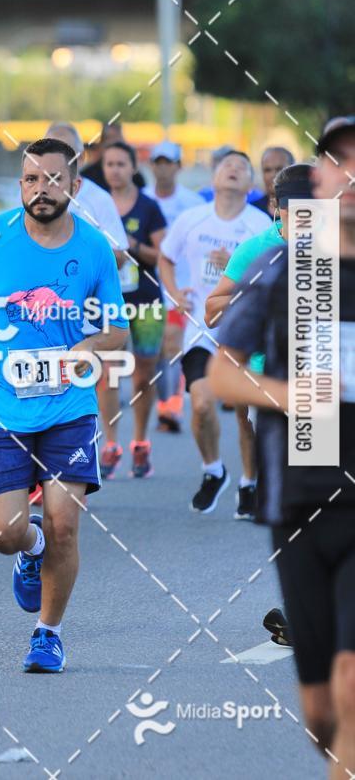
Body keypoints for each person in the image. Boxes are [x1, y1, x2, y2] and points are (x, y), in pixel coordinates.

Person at [0, 137, 128, 672]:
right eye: (31, 179)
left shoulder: (93, 246)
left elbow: (117, 329)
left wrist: (89, 346)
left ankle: (48, 633)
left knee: (65, 525)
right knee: (4, 533)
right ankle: (29, 549)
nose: (41, 189)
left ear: (74, 185)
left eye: (53, 179)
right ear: (19, 184)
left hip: (69, 407)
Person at [209, 116, 355, 777]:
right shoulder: (295, 272)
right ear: (319, 179)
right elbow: (220, 373)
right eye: (339, 162)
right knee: (322, 710)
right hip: (301, 494)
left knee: (353, 689)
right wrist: (293, 396)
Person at [158, 150, 271, 514]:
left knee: (244, 412)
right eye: (227, 165)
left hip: (247, 330)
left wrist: (237, 268)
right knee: (202, 402)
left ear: (251, 185)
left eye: (242, 166)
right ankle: (213, 470)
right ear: (213, 179)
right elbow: (165, 257)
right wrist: (175, 293)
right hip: (201, 328)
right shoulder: (191, 219)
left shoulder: (260, 227)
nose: (234, 169)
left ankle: (249, 482)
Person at [204, 163, 313, 519]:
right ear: (275, 208)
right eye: (293, 208)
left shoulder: (339, 247)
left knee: (317, 469)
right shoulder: (255, 251)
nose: (303, 216)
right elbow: (212, 310)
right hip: (267, 375)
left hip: (323, 371)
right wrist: (255, 299)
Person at [97, 141, 167, 478]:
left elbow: (163, 255)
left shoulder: (149, 207)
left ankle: (141, 442)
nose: (114, 170)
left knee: (143, 373)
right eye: (109, 164)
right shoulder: (93, 206)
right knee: (107, 373)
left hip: (147, 301)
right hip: (108, 303)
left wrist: (130, 246)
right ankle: (111, 445)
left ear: (133, 168)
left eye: (121, 164)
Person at [144, 141, 202, 433]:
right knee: (152, 354)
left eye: (169, 162)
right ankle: (163, 404)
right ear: (151, 165)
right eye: (158, 161)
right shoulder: (142, 200)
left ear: (178, 166)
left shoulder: (193, 204)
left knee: (173, 348)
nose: (163, 167)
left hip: (181, 286)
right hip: (147, 288)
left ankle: (172, 409)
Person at [45, 122, 128, 268]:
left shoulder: (100, 199)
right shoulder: (29, 195)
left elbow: (119, 256)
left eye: (65, 153)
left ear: (81, 157)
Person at [82, 121, 145, 191]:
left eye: (119, 138)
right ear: (102, 143)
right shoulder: (88, 176)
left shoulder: (136, 176)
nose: (116, 142)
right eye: (112, 138)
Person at [252, 146, 295, 215]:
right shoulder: (253, 210)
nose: (273, 175)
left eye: (279, 169)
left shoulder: (305, 209)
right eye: (267, 170)